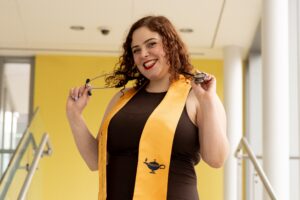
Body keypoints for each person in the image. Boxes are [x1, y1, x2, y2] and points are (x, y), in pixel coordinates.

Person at [66, 15, 229, 200]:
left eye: (151, 44)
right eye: (136, 50)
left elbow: (216, 159)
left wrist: (207, 101)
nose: (143, 53)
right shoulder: (121, 99)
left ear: (170, 44)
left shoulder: (198, 95)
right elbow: (96, 161)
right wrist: (74, 115)